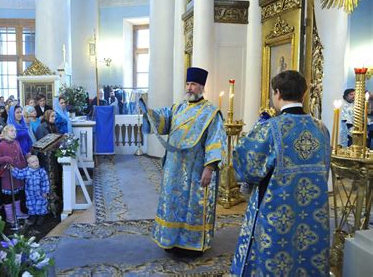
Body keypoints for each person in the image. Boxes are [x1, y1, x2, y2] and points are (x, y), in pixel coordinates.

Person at [230, 70, 331, 276]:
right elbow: (325, 168)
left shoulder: (270, 128)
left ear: (277, 93)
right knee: (306, 253)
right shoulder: (321, 128)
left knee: (276, 255)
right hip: (313, 209)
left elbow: (246, 165)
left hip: (277, 209)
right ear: (303, 94)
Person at [140, 67, 227, 255]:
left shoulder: (211, 112)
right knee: (173, 204)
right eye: (188, 84)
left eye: (193, 84)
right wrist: (149, 113)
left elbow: (216, 140)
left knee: (191, 206)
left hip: (195, 169)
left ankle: (192, 245)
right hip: (173, 168)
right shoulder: (178, 107)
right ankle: (171, 241)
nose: (189, 88)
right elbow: (163, 121)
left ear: (202, 87)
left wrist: (209, 168)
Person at [0, 125, 28, 224]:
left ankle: (18, 213)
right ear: (5, 133)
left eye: (14, 131)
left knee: (17, 194)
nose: (14, 133)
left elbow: (21, 156)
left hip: (18, 174)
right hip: (7, 175)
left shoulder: (17, 142)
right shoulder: (0, 145)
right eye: (11, 131)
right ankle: (10, 217)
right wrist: (5, 159)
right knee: (8, 197)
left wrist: (23, 166)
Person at [11, 155, 50, 225]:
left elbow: (45, 182)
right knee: (31, 205)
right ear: (28, 164)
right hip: (30, 193)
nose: (36, 163)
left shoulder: (42, 172)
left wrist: (45, 192)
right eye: (33, 162)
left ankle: (41, 217)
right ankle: (33, 217)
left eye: (36, 161)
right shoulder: (26, 171)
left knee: (41, 205)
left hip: (40, 193)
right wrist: (13, 169)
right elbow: (19, 174)